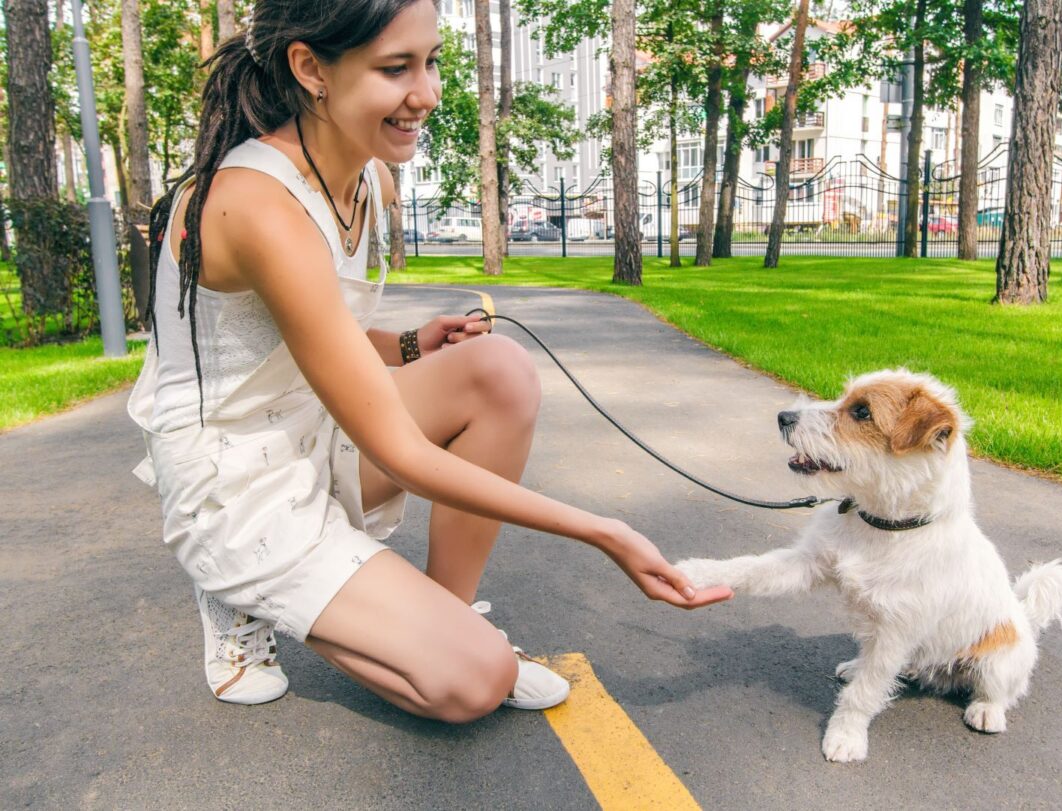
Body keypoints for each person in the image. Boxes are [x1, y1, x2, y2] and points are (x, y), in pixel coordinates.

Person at [127, 0, 731, 722]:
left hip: (314, 430)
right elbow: (401, 452)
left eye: (432, 60)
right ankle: (237, 586)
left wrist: (414, 344)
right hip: (236, 481)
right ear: (310, 67)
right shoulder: (255, 203)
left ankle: (448, 617)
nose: (428, 92)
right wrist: (604, 530)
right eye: (396, 68)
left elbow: (313, 337)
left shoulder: (368, 178)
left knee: (498, 372)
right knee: (473, 683)